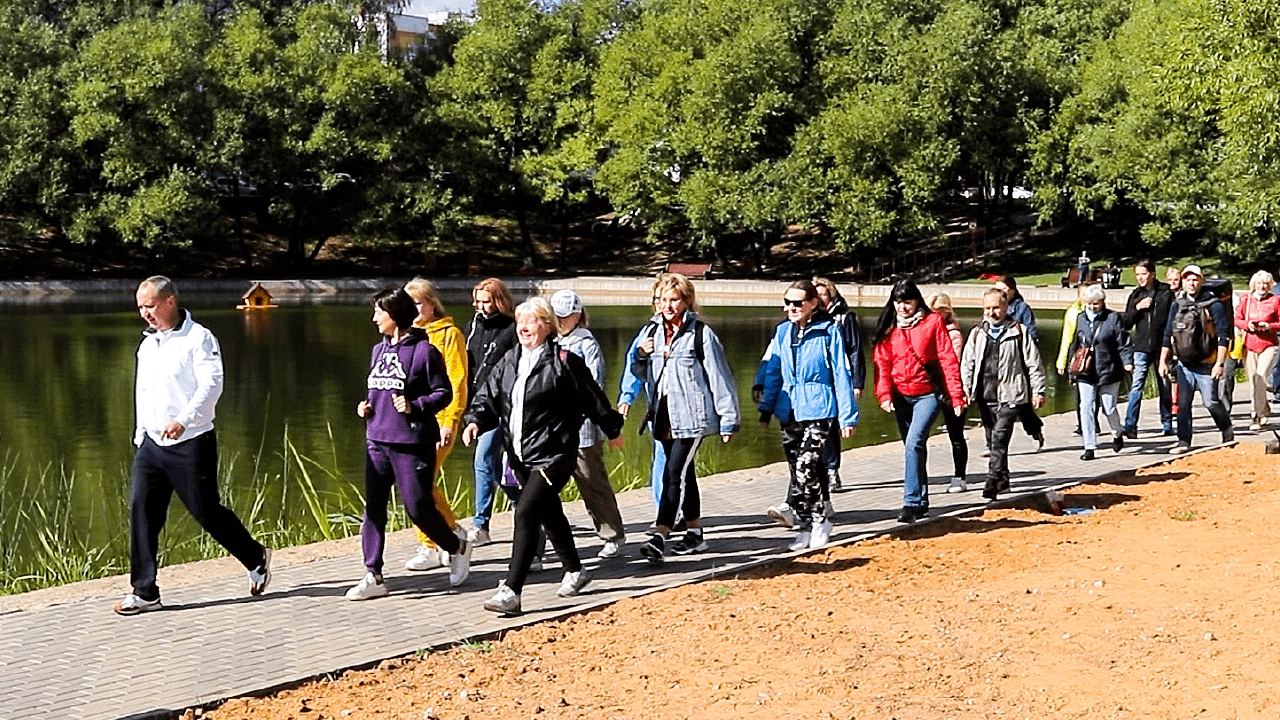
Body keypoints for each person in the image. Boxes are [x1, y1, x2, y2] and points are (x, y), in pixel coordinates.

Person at [115, 277, 273, 616]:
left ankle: (255, 556)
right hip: (152, 445)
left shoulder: (199, 338)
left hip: (190, 441)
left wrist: (184, 419)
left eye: (150, 306)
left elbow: (212, 384)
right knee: (141, 509)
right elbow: (142, 392)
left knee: (206, 511)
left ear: (170, 302)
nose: (145, 314)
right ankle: (144, 591)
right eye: (141, 307)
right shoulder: (148, 345)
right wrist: (141, 433)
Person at [463, 296, 624, 615]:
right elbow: (488, 398)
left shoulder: (564, 361)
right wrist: (474, 422)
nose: (524, 326)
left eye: (533, 320)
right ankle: (576, 571)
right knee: (550, 514)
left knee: (525, 513)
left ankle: (511, 591)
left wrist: (613, 428)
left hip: (555, 453)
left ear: (548, 326)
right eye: (520, 320)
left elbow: (595, 401)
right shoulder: (510, 360)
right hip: (520, 454)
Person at [347, 288, 471, 600]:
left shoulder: (424, 351)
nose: (374, 317)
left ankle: (456, 546)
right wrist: (366, 406)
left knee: (419, 508)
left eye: (379, 311)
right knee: (373, 509)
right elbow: (378, 390)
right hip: (377, 440)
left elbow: (443, 392)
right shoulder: (378, 350)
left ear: (395, 314)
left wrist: (415, 405)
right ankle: (373, 574)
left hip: (412, 442)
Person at [632, 274, 741, 562]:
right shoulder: (651, 331)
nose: (668, 306)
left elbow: (720, 377)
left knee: (673, 473)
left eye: (674, 300)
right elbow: (641, 374)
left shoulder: (700, 333)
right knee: (685, 473)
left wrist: (728, 419)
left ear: (686, 301)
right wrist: (641, 356)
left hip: (692, 416)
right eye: (663, 300)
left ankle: (660, 534)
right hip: (664, 415)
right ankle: (695, 534)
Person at [757, 281, 858, 551]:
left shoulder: (828, 332)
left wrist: (848, 416)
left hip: (819, 408)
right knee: (795, 470)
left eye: (797, 302)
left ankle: (820, 520)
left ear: (813, 304)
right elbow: (773, 371)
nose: (791, 308)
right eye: (787, 302)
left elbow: (841, 373)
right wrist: (766, 407)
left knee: (807, 466)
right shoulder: (782, 333)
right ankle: (803, 527)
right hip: (788, 410)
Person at [871, 279, 966, 524]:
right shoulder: (890, 327)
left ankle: (911, 502)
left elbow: (947, 360)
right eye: (898, 302)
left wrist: (956, 395)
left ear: (917, 301)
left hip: (927, 394)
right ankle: (922, 501)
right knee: (913, 447)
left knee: (914, 442)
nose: (903, 307)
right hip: (901, 396)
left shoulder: (932, 322)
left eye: (907, 301)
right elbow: (882, 363)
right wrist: (884, 394)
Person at [551, 289, 627, 558]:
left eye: (566, 315)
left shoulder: (586, 343)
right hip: (552, 431)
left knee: (592, 482)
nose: (560, 321)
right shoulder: (546, 341)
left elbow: (594, 385)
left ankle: (612, 534)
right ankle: (536, 549)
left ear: (577, 315)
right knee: (540, 488)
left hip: (582, 430)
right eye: (556, 315)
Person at [403, 278, 468, 572]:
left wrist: (450, 420)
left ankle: (438, 540)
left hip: (439, 421)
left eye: (418, 303)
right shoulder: (405, 336)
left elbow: (457, 380)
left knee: (420, 483)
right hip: (410, 421)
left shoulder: (449, 334)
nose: (415, 309)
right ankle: (447, 533)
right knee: (417, 484)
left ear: (431, 304)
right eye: (409, 304)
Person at [960, 288, 1046, 499]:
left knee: (999, 438)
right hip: (985, 394)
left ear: (1006, 307)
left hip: (1011, 395)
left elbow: (1034, 363)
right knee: (993, 439)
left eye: (996, 307)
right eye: (987, 308)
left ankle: (991, 481)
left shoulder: (1019, 331)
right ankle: (1004, 480)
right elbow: (967, 364)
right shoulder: (977, 333)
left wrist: (1038, 390)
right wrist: (966, 389)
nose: (991, 312)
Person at [1159, 265, 1234, 453]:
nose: (1191, 283)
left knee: (1210, 402)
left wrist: (1219, 363)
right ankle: (1184, 441)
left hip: (1207, 363)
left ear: (1201, 281)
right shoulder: (1178, 304)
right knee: (1183, 404)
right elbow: (1168, 334)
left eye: (1195, 280)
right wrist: (1162, 361)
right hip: (1184, 363)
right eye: (1188, 280)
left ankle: (1226, 428)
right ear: (1183, 282)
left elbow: (1223, 336)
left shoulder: (1214, 304)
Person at [466, 278, 517, 544]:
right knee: (496, 467)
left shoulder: (512, 328)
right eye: (478, 301)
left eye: (487, 301)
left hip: (500, 405)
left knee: (483, 458)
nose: (482, 307)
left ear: (499, 300)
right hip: (477, 403)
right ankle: (523, 504)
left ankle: (481, 524)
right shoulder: (474, 325)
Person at [617, 278, 669, 510]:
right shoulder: (648, 332)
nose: (663, 305)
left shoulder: (694, 331)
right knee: (661, 457)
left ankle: (676, 510)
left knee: (677, 462)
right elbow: (633, 365)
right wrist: (627, 396)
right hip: (657, 409)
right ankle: (663, 510)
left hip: (686, 409)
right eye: (659, 299)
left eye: (669, 299)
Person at [1067, 284, 1133, 460]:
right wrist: (1071, 369)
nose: (1092, 307)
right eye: (1089, 303)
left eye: (1096, 303)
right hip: (1086, 370)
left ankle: (1117, 432)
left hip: (1108, 369)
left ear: (1103, 302)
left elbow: (1123, 343)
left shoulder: (1113, 318)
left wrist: (1127, 362)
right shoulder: (1081, 318)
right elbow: (1075, 344)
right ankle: (1089, 446)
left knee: (1109, 408)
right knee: (1086, 407)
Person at [812, 277, 865, 491]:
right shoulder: (809, 318)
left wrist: (857, 382)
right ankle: (819, 470)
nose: (819, 298)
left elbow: (854, 349)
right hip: (818, 380)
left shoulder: (844, 317)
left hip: (839, 378)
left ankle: (832, 470)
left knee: (832, 425)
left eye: (822, 294)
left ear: (831, 295)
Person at [1121, 261, 1175, 437]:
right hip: (1142, 347)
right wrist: (1137, 308)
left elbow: (1172, 319)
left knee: (1164, 385)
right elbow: (1126, 323)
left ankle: (1167, 423)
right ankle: (1130, 425)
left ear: (1152, 273)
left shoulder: (1165, 293)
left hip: (1162, 347)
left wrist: (1169, 342)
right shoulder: (1135, 295)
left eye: (1143, 274)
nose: (1140, 278)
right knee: (1137, 386)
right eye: (1137, 275)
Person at [994, 275, 1046, 450]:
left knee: (1021, 404)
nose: (1000, 293)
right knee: (991, 401)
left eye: (1004, 289)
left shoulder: (1022, 309)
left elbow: (1031, 334)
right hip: (997, 364)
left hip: (1018, 363)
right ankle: (992, 441)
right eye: (997, 289)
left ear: (1013, 290)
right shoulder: (992, 309)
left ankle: (1034, 429)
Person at [925, 292, 969, 492]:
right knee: (919, 435)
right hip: (929, 388)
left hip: (951, 388)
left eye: (939, 312)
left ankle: (960, 476)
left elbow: (952, 362)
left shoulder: (954, 334)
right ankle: (919, 475)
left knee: (956, 434)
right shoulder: (926, 332)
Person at [1235, 271, 1280, 430]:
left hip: (1269, 344)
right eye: (1260, 283)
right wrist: (1249, 325)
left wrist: (1269, 326)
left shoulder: (1275, 300)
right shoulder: (1246, 300)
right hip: (1250, 344)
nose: (1263, 287)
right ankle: (1264, 409)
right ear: (1254, 284)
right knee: (1254, 381)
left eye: (1266, 284)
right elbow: (1237, 319)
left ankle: (1256, 415)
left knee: (1261, 376)